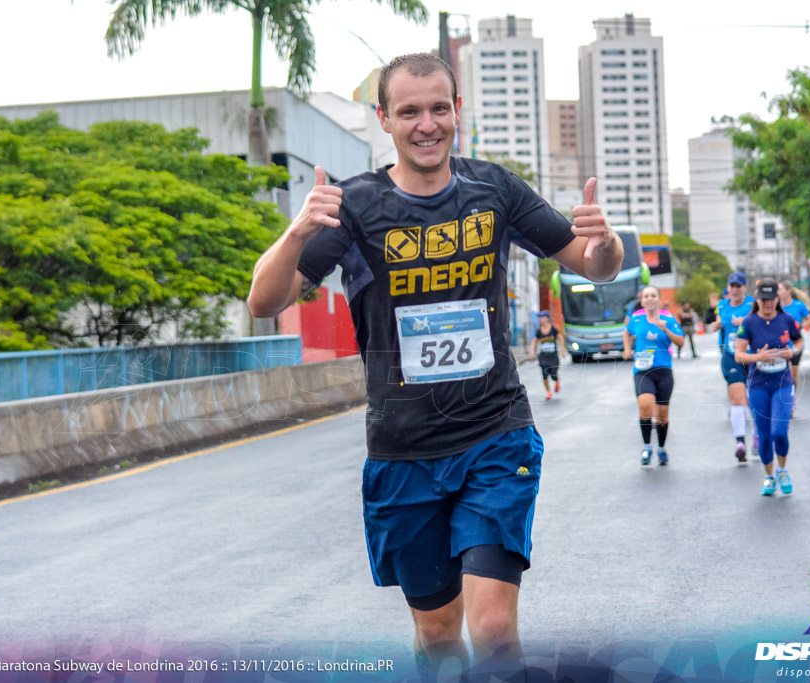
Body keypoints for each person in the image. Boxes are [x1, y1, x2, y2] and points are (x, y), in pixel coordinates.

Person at [245, 53, 623, 678]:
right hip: (402, 450)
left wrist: (604, 242)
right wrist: (297, 233)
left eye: (439, 109)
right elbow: (264, 302)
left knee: (494, 626)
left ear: (457, 113)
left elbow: (590, 263)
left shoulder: (494, 190)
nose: (427, 124)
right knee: (438, 631)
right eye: (410, 111)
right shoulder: (353, 206)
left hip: (495, 432)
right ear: (385, 120)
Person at [734, 279, 803, 495]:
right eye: (762, 300)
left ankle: (782, 470)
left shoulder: (787, 319)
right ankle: (769, 475)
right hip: (758, 386)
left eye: (770, 299)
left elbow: (799, 341)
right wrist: (759, 357)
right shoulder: (749, 322)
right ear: (757, 300)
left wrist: (793, 352)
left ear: (777, 299)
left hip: (782, 384)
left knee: (779, 433)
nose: (767, 304)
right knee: (764, 435)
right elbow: (738, 354)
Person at [623, 286, 686, 465]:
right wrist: (627, 350)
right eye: (646, 296)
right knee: (645, 406)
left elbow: (681, 342)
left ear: (658, 299)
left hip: (664, 371)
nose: (649, 299)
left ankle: (661, 448)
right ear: (642, 301)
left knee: (662, 416)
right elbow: (627, 332)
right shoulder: (636, 318)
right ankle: (647, 447)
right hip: (642, 371)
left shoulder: (668, 319)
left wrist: (666, 330)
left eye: (653, 296)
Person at [711, 273, 755, 462]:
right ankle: (740, 443)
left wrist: (746, 321)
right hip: (731, 356)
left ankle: (758, 436)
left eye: (739, 286)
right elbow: (722, 323)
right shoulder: (722, 305)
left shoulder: (753, 304)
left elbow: (762, 321)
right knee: (737, 399)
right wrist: (717, 325)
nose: (735, 290)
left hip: (753, 356)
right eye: (732, 286)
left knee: (754, 399)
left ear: (744, 287)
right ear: (728, 288)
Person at [778, 280, 810, 413]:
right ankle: (784, 398)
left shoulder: (798, 305)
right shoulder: (777, 306)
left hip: (796, 342)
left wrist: (799, 327)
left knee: (793, 375)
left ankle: (791, 399)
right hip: (781, 343)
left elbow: (809, 319)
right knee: (782, 373)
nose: (778, 292)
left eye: (780, 289)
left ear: (788, 290)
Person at [530, 311, 564, 400]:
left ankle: (556, 381)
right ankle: (548, 392)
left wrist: (562, 350)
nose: (541, 319)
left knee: (553, 374)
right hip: (543, 357)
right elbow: (534, 341)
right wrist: (532, 352)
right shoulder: (539, 331)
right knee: (544, 375)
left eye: (542, 317)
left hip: (553, 357)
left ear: (547, 319)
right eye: (540, 318)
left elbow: (560, 338)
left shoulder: (553, 329)